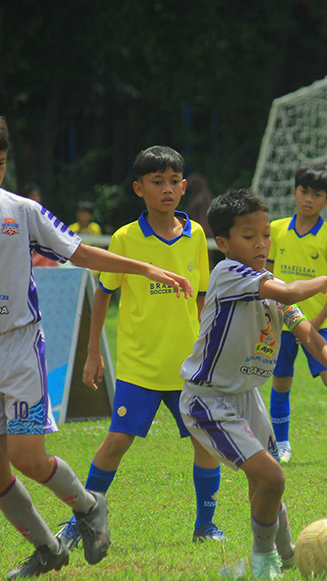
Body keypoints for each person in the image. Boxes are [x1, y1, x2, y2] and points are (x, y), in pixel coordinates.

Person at [0, 108, 193, 580]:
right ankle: (48, 548)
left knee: (27, 456)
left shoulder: (21, 210)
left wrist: (143, 267)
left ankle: (87, 506)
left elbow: (78, 251)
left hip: (19, 344)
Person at [178, 188, 327, 579]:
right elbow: (292, 292)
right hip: (208, 400)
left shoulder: (267, 281)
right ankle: (261, 563)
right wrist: (324, 280)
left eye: (265, 235)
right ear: (223, 242)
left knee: (266, 480)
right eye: (248, 236)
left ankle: (287, 556)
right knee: (272, 476)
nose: (261, 244)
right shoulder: (228, 274)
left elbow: (306, 331)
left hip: (246, 397)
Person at [56, 146, 225, 549]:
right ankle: (80, 519)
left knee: (206, 442)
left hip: (188, 366)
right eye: (156, 182)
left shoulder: (197, 235)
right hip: (139, 367)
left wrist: (208, 347)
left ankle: (206, 526)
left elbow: (201, 296)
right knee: (117, 441)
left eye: (173, 182)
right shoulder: (125, 238)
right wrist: (93, 352)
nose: (166, 190)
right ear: (138, 189)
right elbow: (103, 294)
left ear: (184, 186)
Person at [266, 165, 327, 463]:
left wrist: (314, 322)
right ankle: (282, 445)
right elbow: (266, 272)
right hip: (280, 323)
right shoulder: (276, 230)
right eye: (304, 191)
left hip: (317, 324)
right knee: (281, 382)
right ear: (294, 192)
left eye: (317, 195)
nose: (308, 199)